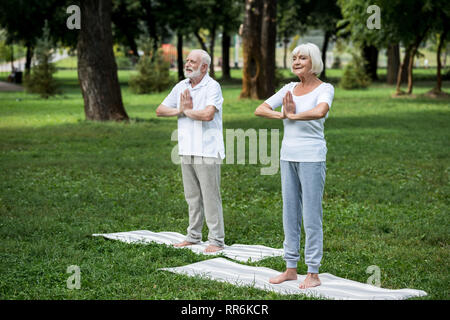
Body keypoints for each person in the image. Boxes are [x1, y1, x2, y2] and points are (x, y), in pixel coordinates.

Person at [254, 43, 334, 289]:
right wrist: (282, 115)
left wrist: (294, 116)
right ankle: (290, 268)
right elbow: (260, 109)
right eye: (294, 58)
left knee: (311, 214)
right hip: (288, 156)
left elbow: (320, 111)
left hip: (312, 157)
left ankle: (313, 272)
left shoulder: (325, 88)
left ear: (314, 63)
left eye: (303, 58)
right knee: (289, 212)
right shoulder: (289, 88)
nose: (297, 61)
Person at [156, 49, 225, 253]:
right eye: (187, 60)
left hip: (207, 150)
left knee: (210, 196)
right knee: (192, 196)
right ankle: (193, 236)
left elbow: (208, 114)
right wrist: (180, 110)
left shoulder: (213, 86)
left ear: (204, 67)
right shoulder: (182, 86)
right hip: (186, 148)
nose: (187, 64)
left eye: (192, 61)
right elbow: (160, 110)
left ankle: (216, 240)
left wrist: (186, 111)